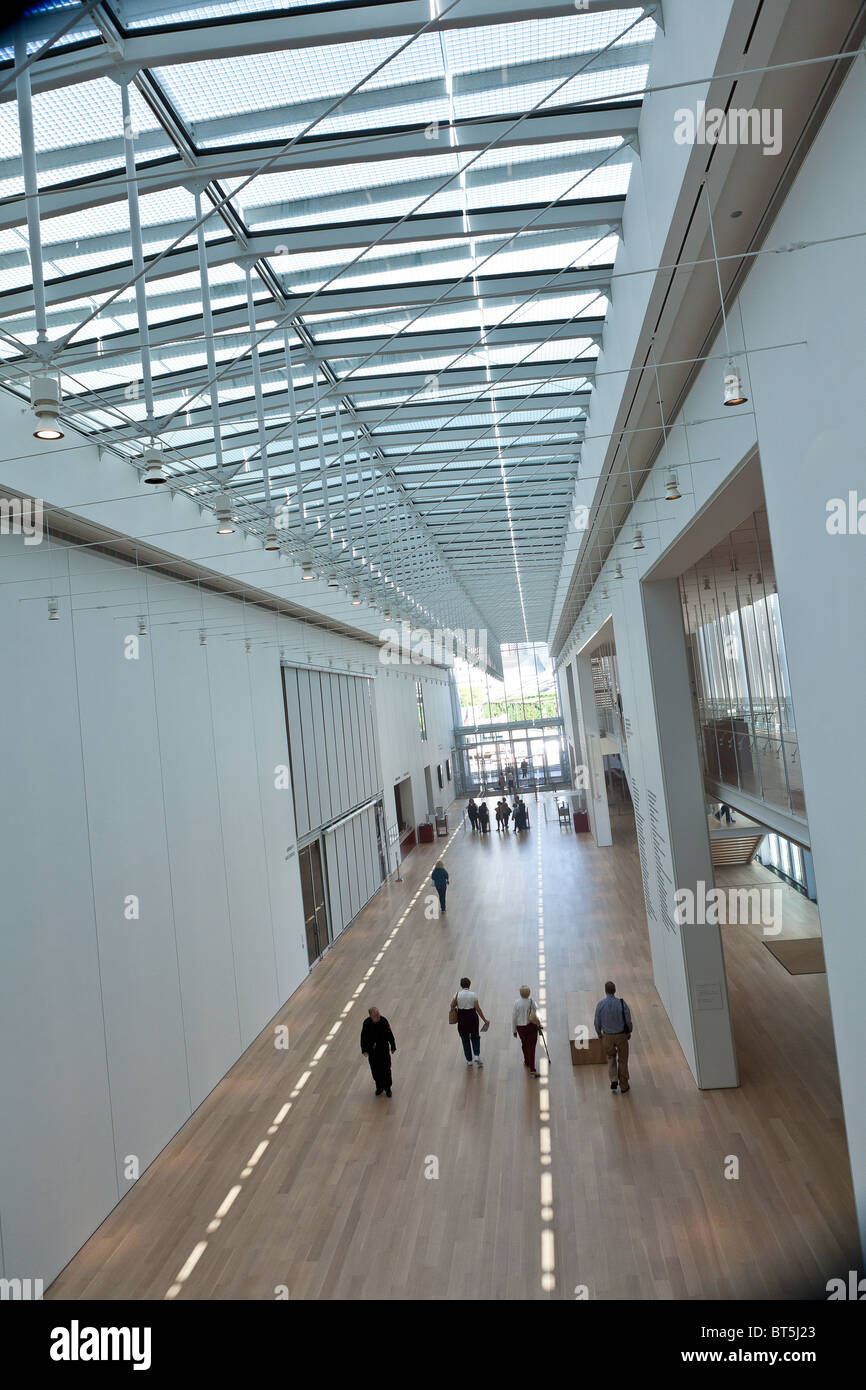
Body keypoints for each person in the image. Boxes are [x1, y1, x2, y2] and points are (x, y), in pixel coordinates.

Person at [593, 980, 633, 1093]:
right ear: (614, 990)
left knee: (611, 1057)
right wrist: (629, 1031)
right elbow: (628, 1020)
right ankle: (624, 1085)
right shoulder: (622, 1003)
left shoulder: (600, 1005)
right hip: (621, 1036)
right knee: (623, 1060)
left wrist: (599, 1034)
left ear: (605, 991)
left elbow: (596, 1022)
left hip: (607, 1036)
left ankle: (613, 1079)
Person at [451, 976, 490, 1067]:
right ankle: (476, 1055)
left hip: (462, 1019)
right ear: (469, 985)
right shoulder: (473, 995)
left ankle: (469, 1060)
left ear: (461, 985)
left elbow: (451, 1005)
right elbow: (478, 1009)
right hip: (472, 1019)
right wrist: (485, 1020)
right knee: (475, 1037)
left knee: (465, 1039)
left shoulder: (457, 994)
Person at [360, 1005, 396, 1097]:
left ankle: (388, 1088)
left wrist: (393, 1046)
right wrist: (364, 1049)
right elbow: (363, 1037)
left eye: (378, 1013)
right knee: (375, 1070)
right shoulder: (366, 1024)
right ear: (370, 1016)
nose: (378, 1016)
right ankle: (379, 1087)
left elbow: (389, 1034)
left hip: (383, 1050)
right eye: (375, 1015)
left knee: (386, 1070)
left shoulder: (384, 1021)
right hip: (372, 1052)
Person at [512, 985, 540, 1076]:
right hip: (531, 1026)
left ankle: (527, 1061)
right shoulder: (532, 1002)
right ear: (529, 993)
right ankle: (532, 1068)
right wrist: (539, 1024)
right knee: (531, 1047)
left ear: (520, 993)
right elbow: (537, 1013)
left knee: (524, 1044)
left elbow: (514, 1017)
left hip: (520, 1028)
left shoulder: (516, 1003)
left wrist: (514, 1030)